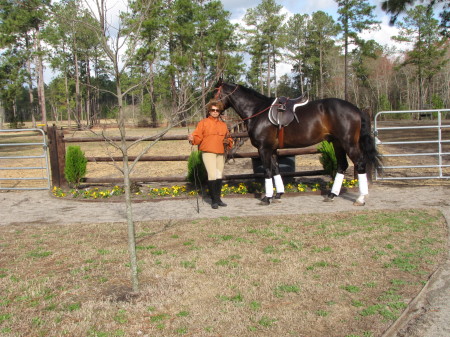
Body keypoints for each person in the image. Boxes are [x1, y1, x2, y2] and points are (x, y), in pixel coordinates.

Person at [188, 100, 233, 209]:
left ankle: (218, 199)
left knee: (219, 175)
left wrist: (229, 142)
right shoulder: (203, 123)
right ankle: (213, 200)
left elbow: (229, 138)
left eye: (217, 110)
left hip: (221, 153)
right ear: (209, 111)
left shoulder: (223, 125)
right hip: (208, 152)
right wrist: (192, 139)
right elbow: (197, 137)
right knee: (212, 175)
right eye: (213, 110)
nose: (215, 112)